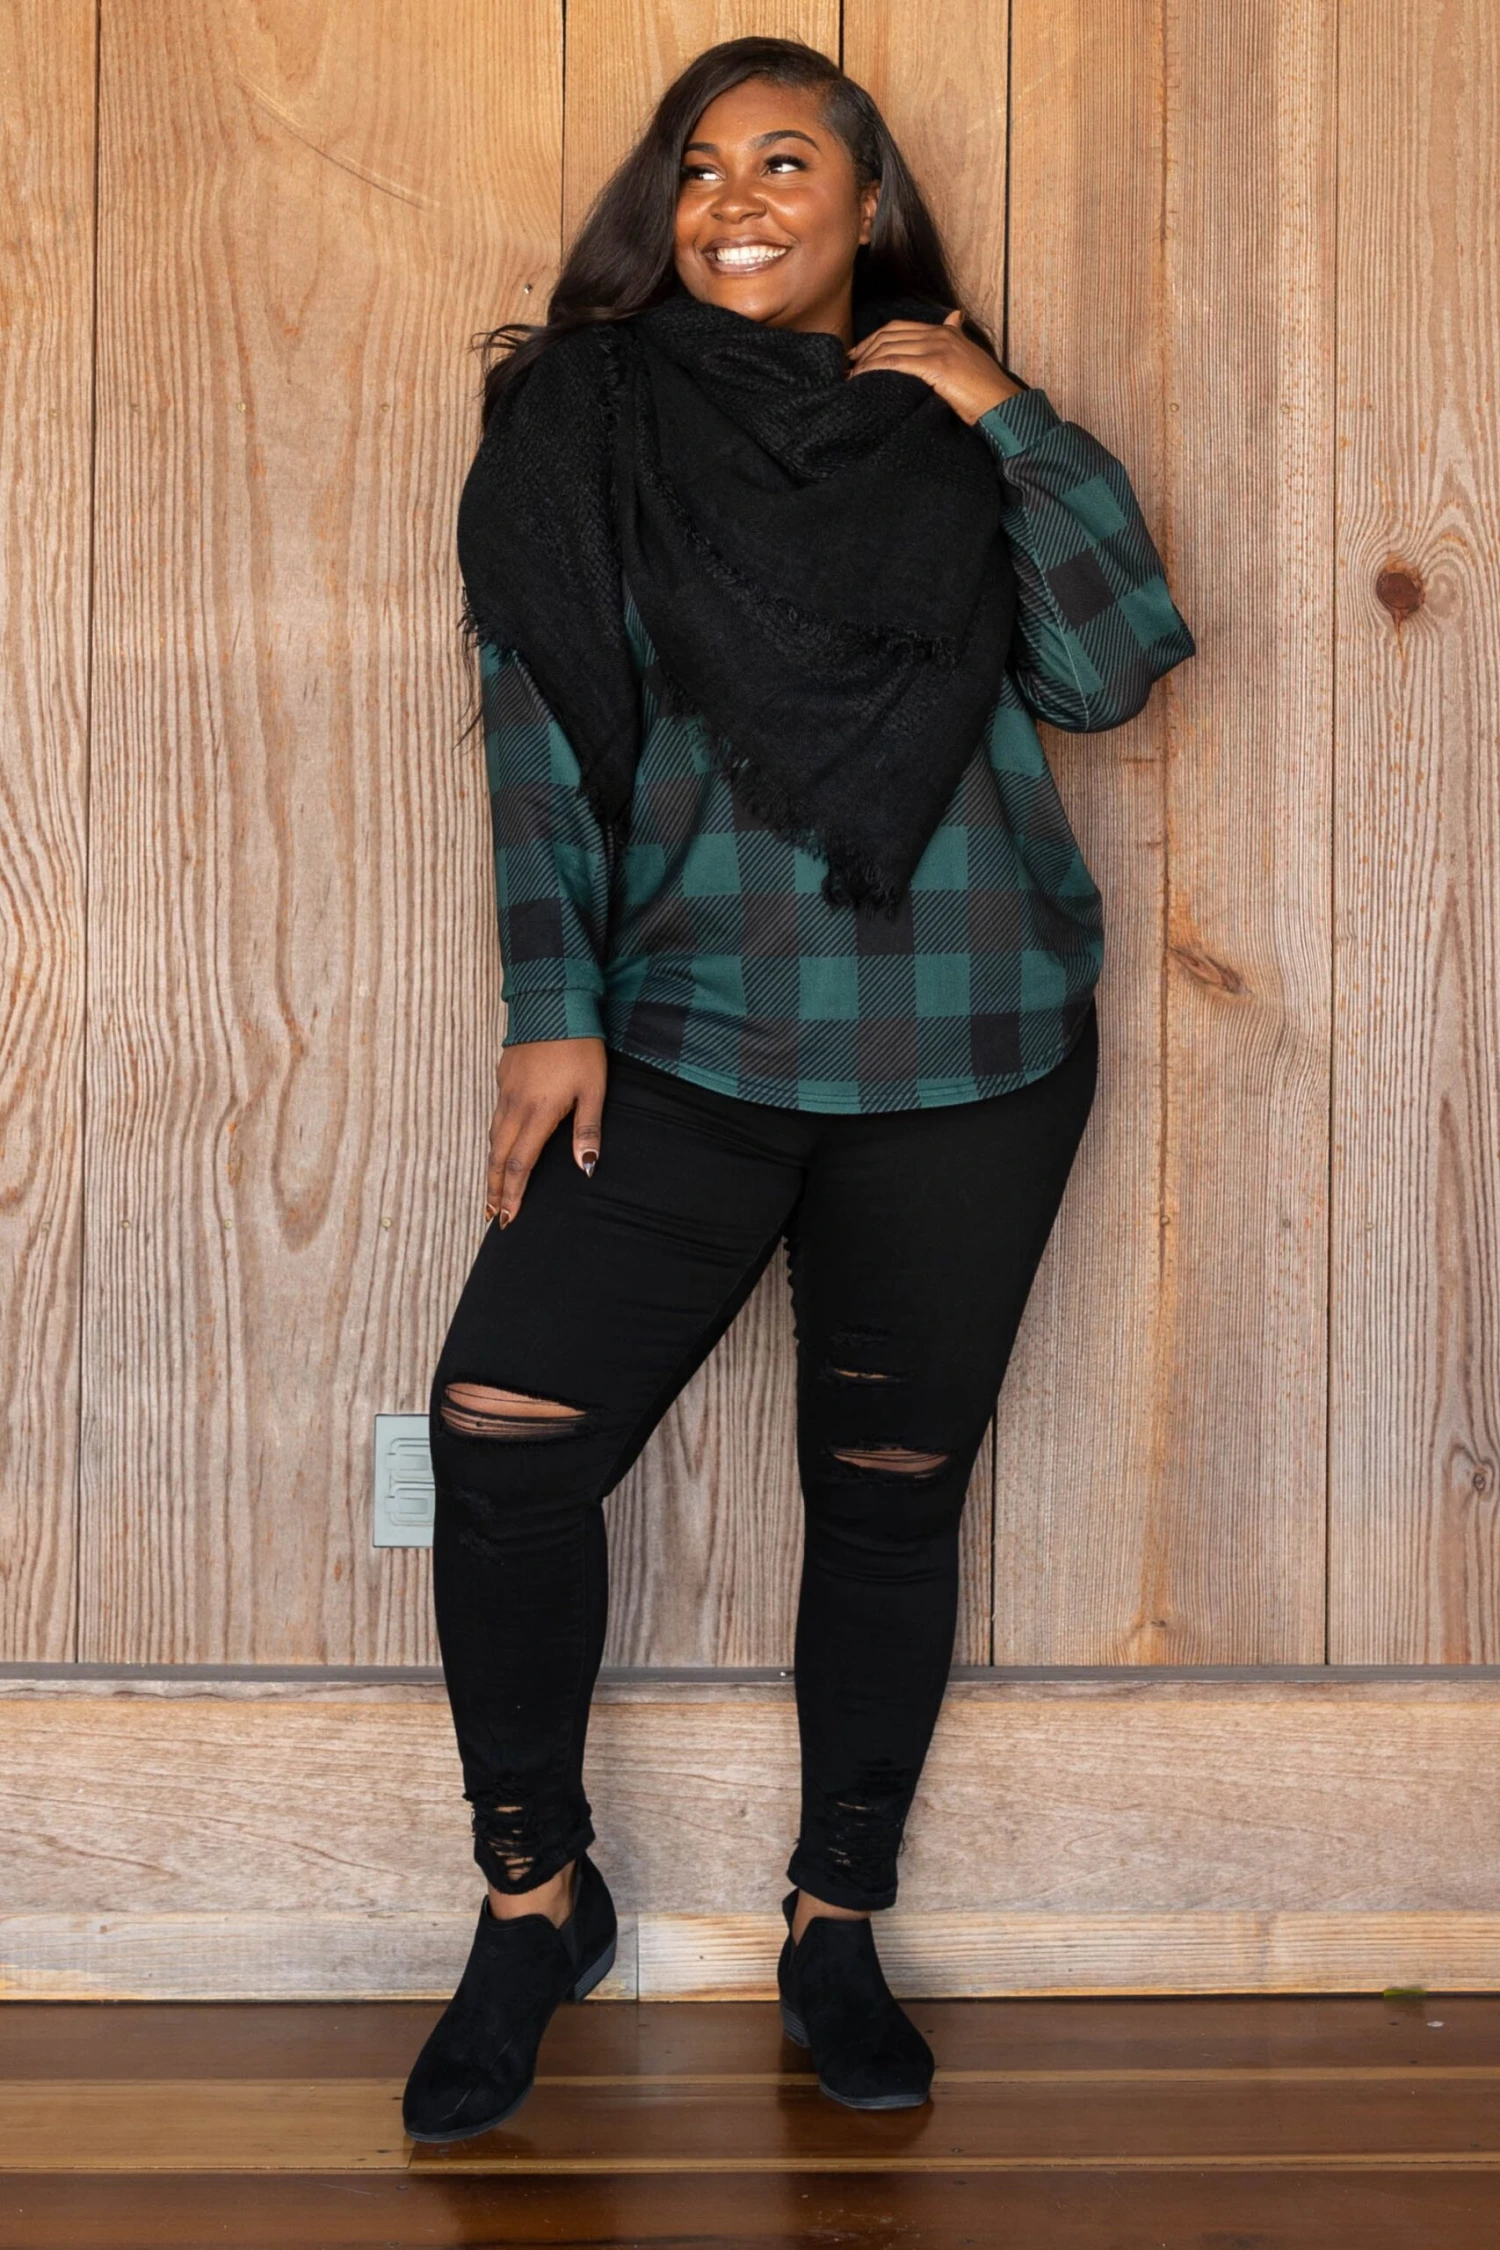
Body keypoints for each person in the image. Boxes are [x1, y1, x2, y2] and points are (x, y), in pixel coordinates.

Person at [402, 34, 1195, 2141]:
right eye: (697, 168)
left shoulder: (951, 428)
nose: (733, 201)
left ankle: (836, 1924)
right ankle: (532, 1902)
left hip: (971, 1046)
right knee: (500, 1436)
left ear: (867, 208)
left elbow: (1115, 665)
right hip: (682, 1038)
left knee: (888, 1496)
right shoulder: (584, 422)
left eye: (784, 162)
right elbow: (536, 736)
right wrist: (550, 1000)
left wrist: (1006, 414)